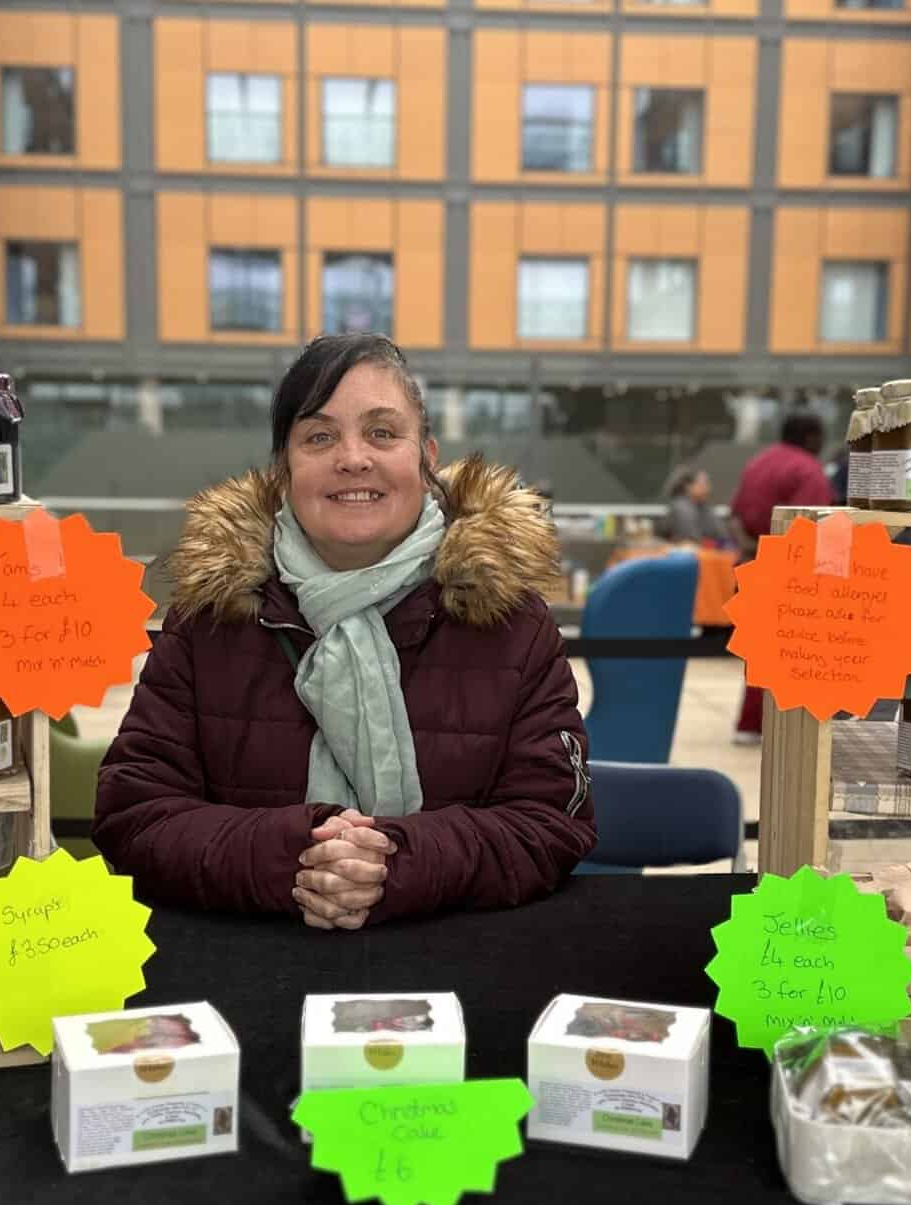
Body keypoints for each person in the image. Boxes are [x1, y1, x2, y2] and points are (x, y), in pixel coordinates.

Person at [97, 333, 595, 928]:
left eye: (383, 432)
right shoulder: (209, 618)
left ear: (426, 457)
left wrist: (394, 863)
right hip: (250, 972)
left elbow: (551, 823)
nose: (353, 457)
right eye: (319, 436)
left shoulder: (513, 620)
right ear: (284, 468)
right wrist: (298, 855)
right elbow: (136, 815)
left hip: (455, 972)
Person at [727, 409, 834, 743]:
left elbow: (734, 514)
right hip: (791, 570)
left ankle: (751, 723)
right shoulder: (807, 468)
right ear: (812, 437)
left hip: (751, 562)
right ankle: (781, 729)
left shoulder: (758, 463)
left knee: (760, 653)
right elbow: (814, 526)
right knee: (794, 656)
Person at [663, 467, 717, 545]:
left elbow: (720, 534)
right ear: (688, 486)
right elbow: (692, 541)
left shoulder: (704, 507)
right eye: (703, 485)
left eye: (708, 484)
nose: (708, 489)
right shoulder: (681, 509)